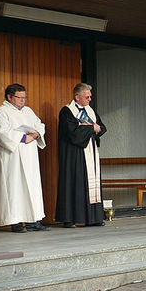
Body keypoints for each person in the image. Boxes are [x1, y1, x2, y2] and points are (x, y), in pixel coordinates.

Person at [0, 83, 50, 232]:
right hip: (12, 157)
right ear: (9, 97)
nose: (23, 101)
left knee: (32, 187)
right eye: (19, 97)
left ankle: (33, 221)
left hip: (29, 156)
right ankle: (15, 222)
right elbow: (0, 131)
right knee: (14, 188)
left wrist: (36, 134)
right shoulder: (1, 111)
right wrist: (23, 138)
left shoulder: (28, 111)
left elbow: (39, 125)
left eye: (24, 97)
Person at [55, 83, 107, 227]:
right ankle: (70, 218)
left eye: (90, 96)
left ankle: (93, 218)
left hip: (90, 151)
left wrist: (92, 128)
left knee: (91, 184)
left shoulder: (90, 110)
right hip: (74, 154)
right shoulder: (67, 111)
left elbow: (101, 127)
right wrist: (91, 128)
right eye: (87, 96)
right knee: (74, 183)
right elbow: (73, 133)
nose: (90, 99)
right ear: (77, 97)